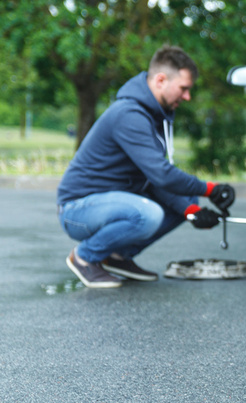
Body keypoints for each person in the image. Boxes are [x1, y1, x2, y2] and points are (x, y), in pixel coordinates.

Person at [57, 45, 235, 288]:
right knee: (147, 215)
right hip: (77, 209)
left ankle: (118, 256)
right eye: (184, 89)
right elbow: (162, 175)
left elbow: (153, 180)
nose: (187, 97)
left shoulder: (153, 117)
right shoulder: (129, 115)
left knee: (186, 198)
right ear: (161, 80)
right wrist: (211, 188)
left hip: (112, 203)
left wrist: (192, 211)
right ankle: (84, 257)